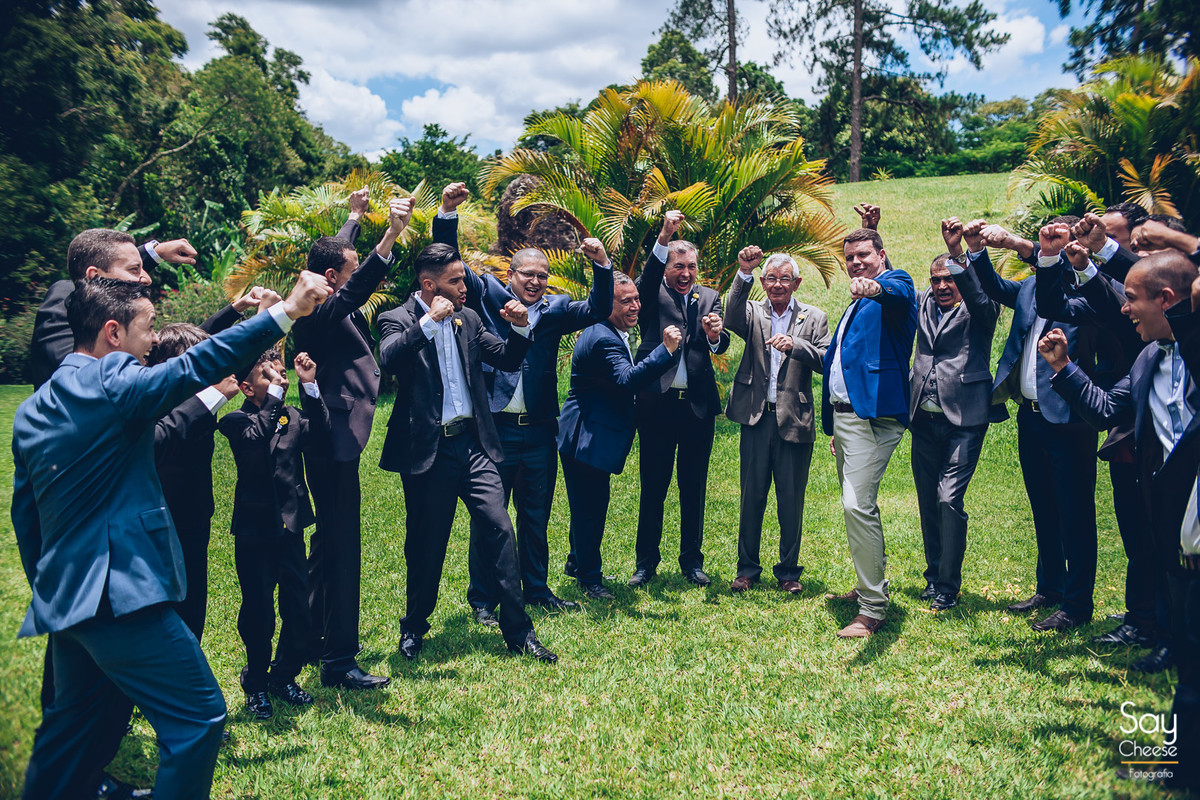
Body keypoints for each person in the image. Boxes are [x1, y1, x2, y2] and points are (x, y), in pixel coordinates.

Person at [11, 271, 332, 800]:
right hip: (119, 599)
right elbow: (195, 365)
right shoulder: (115, 387)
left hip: (66, 600)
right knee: (199, 716)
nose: (154, 340)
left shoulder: (36, 407)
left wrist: (52, 586)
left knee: (66, 734)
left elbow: (29, 519)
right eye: (148, 328)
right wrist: (285, 312)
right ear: (113, 333)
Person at [1038, 250, 1200, 790]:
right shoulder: (1147, 357)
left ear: (1168, 301)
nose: (1124, 308)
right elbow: (1108, 410)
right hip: (1175, 532)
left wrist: (1120, 248)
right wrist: (1064, 368)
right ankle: (1183, 764)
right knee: (1187, 647)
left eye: (1131, 297)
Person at [432, 182, 614, 621]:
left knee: (536, 515)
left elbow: (599, 307)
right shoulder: (487, 295)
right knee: (489, 518)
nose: (534, 282)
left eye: (541, 277)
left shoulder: (556, 310)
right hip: (493, 430)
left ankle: (536, 588)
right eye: (527, 275)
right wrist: (447, 214)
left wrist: (602, 264)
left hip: (538, 432)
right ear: (511, 276)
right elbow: (450, 260)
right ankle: (483, 599)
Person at [376, 242, 558, 664]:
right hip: (429, 450)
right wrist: (427, 323)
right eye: (456, 280)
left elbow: (509, 359)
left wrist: (519, 327)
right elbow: (387, 357)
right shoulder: (397, 318)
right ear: (429, 284)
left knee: (501, 530)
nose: (464, 287)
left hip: (474, 446)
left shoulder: (470, 318)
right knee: (426, 544)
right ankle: (414, 626)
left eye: (463, 279)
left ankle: (518, 632)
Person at [291, 191, 409, 691]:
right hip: (332, 441)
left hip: (332, 438)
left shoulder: (318, 294)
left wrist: (354, 219)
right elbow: (351, 286)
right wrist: (388, 238)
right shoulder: (317, 312)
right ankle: (338, 660)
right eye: (351, 265)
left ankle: (310, 636)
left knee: (328, 546)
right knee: (342, 548)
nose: (356, 268)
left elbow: (334, 262)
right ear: (333, 280)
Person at [970, 220, 1104, 631]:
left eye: (1062, 245)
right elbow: (993, 287)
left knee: (1075, 512)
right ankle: (1049, 588)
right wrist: (975, 251)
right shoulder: (1030, 289)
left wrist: (1030, 246)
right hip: (1030, 416)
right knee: (1043, 507)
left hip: (1069, 419)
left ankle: (1077, 604)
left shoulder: (1089, 296)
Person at [557, 269, 682, 598]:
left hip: (588, 433)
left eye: (637, 299)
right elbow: (628, 379)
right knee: (591, 509)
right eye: (625, 301)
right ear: (605, 303)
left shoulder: (610, 331)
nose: (635, 306)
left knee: (586, 505)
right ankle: (590, 579)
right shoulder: (602, 337)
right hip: (587, 436)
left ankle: (576, 561)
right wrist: (665, 350)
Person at [219, 349, 330, 721]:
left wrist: (310, 386)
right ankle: (256, 684)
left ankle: (284, 676)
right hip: (255, 529)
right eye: (270, 376)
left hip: (292, 526)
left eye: (282, 374)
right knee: (258, 613)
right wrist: (277, 403)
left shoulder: (292, 415)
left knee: (298, 609)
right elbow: (255, 445)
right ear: (248, 388)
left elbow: (322, 438)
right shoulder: (235, 420)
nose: (281, 380)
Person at [821, 227, 918, 637]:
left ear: (882, 254)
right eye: (850, 258)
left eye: (864, 255)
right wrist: (838, 426)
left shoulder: (895, 285)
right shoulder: (855, 305)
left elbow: (895, 291)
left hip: (872, 419)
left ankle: (873, 608)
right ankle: (867, 585)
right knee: (855, 507)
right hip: (846, 420)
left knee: (857, 505)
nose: (856, 263)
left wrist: (873, 286)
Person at [631, 209, 730, 588]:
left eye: (690, 266)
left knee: (693, 486)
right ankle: (646, 563)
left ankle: (692, 561)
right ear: (668, 267)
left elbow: (719, 344)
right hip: (657, 405)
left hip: (697, 408)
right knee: (653, 485)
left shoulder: (710, 297)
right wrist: (664, 235)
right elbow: (649, 277)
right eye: (678, 266)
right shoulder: (650, 296)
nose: (685, 273)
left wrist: (716, 334)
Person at [723, 246, 830, 595]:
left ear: (797, 283)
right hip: (756, 418)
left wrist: (796, 345)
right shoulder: (753, 312)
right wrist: (744, 272)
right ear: (764, 283)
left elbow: (827, 359)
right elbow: (731, 314)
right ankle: (746, 570)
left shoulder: (814, 317)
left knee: (791, 499)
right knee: (751, 496)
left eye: (785, 279)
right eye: (772, 278)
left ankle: (788, 572)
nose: (778, 285)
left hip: (794, 419)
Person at [908, 220, 1000, 611]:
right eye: (935, 280)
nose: (942, 286)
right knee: (928, 501)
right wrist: (870, 232)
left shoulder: (982, 309)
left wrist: (960, 253)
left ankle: (949, 584)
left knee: (948, 500)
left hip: (965, 420)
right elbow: (893, 289)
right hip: (923, 421)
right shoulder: (924, 302)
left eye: (949, 279)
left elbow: (979, 296)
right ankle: (933, 577)